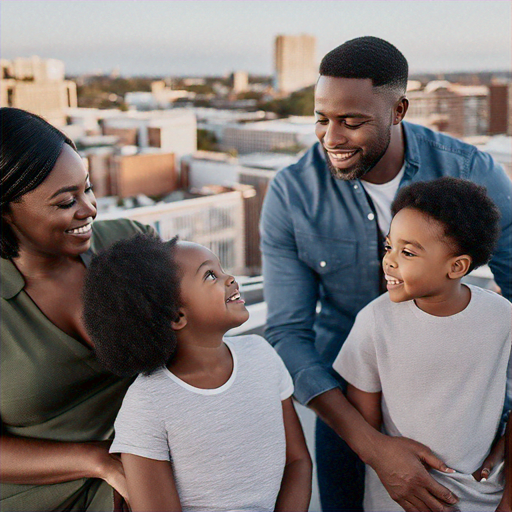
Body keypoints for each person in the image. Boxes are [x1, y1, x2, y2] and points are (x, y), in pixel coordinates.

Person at [260, 36, 512, 512]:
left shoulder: (474, 172)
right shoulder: (292, 193)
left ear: (398, 111)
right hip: (346, 409)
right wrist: (369, 444)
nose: (331, 138)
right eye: (322, 119)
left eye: (351, 122)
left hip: (468, 411)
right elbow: (289, 332)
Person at [81, 234, 312, 512]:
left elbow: (297, 461)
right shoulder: (146, 403)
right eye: (211, 275)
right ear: (176, 317)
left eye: (222, 269)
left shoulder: (262, 354)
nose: (230, 279)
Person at [0, 107, 156, 511]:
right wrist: (97, 460)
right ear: (4, 212)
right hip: (44, 498)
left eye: (87, 189)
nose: (89, 209)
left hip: (160, 478)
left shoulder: (132, 244)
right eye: (66, 201)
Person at [334, 177, 511, 512]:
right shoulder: (374, 321)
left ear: (456, 266)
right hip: (399, 500)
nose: (389, 260)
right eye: (389, 247)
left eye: (408, 252)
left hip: (485, 500)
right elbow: (366, 426)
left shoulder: (503, 318)